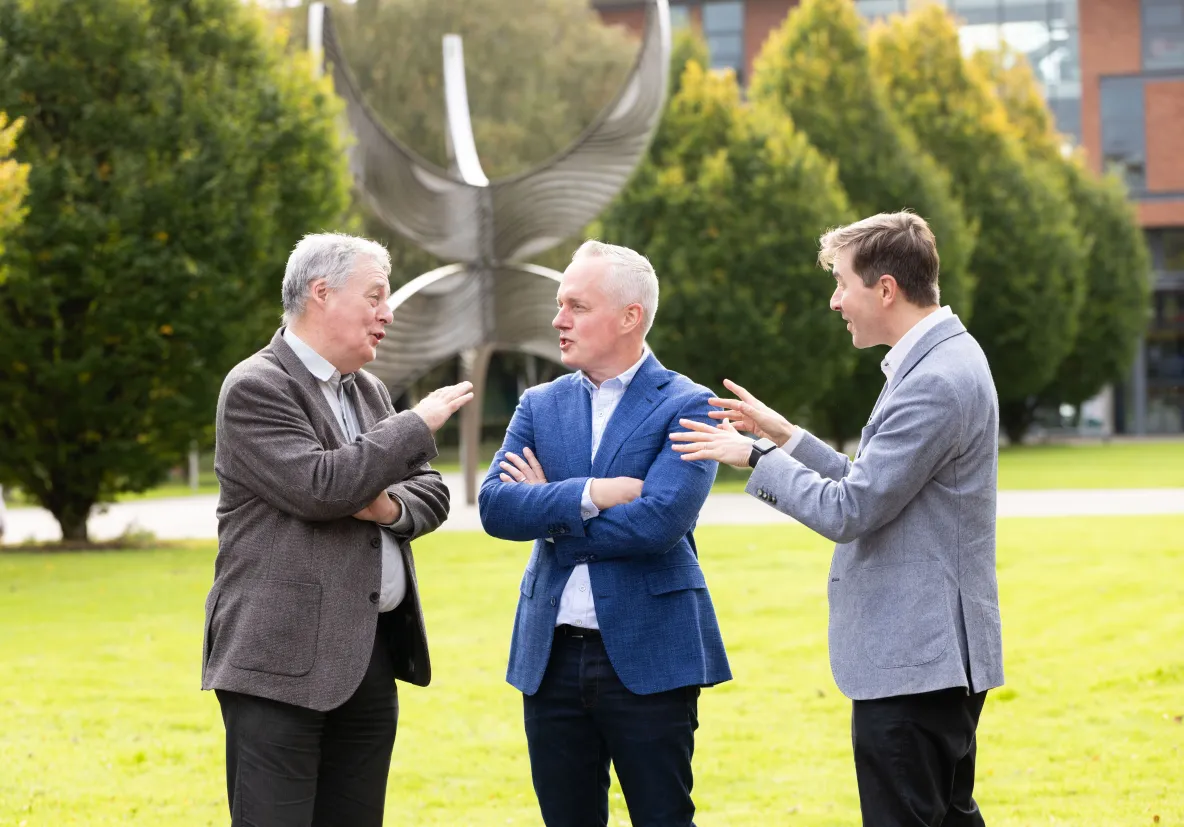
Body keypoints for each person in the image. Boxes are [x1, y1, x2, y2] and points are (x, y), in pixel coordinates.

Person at [670, 212, 1003, 826]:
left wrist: (754, 457)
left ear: (885, 289)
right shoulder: (943, 358)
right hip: (929, 661)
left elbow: (849, 510)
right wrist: (786, 435)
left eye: (843, 283)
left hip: (914, 663)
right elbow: (874, 483)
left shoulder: (935, 379)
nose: (835, 301)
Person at [201, 232, 473, 827]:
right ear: (321, 293)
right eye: (375, 295)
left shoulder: (369, 390)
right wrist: (416, 424)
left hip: (367, 657)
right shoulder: (256, 387)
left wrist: (379, 506)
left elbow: (431, 493)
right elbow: (320, 487)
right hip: (279, 661)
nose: (388, 312)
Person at [479, 240, 731, 827]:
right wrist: (591, 494)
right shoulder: (539, 404)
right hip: (551, 658)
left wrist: (547, 511)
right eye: (559, 304)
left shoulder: (690, 404)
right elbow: (495, 508)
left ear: (630, 317)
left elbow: (660, 522)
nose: (558, 320)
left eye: (576, 306)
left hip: (651, 655)